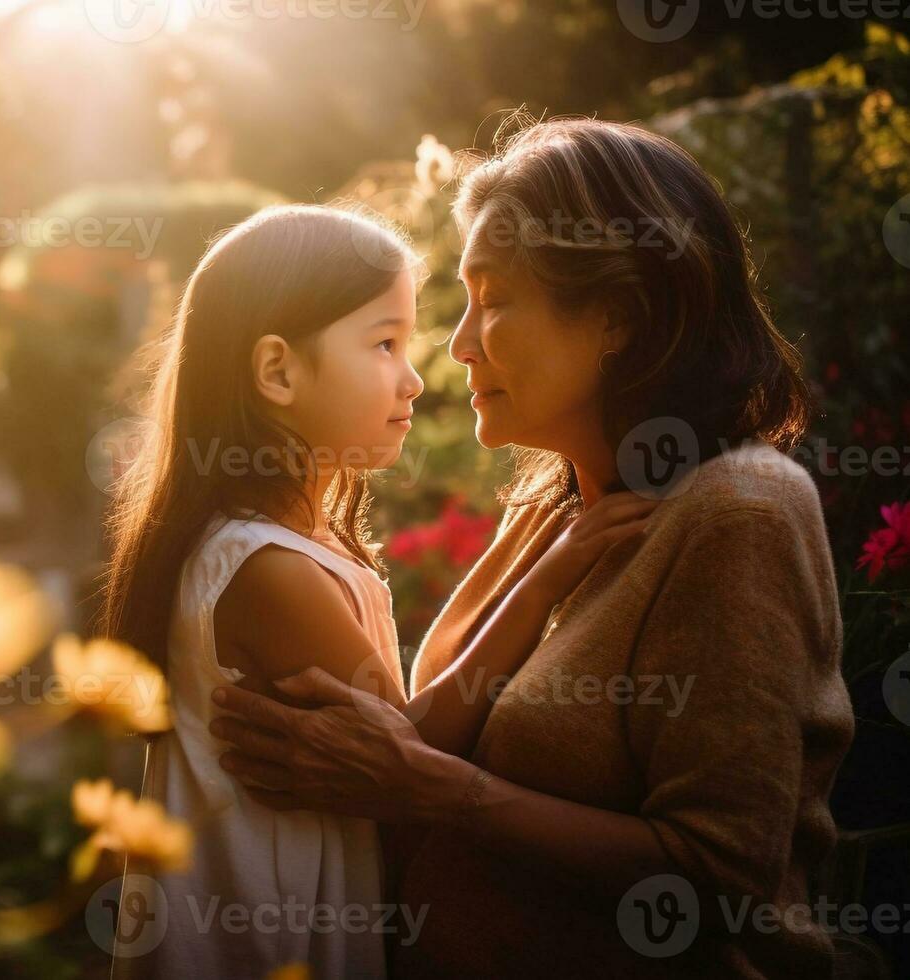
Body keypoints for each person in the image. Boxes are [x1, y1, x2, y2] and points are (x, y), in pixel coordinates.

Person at [209, 119, 854, 977]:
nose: (459, 341)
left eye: (495, 298)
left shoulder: (738, 513)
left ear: (617, 318)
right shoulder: (555, 503)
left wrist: (430, 791)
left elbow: (722, 882)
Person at [97, 203, 651, 978]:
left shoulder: (274, 546)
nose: (415, 377)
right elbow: (408, 755)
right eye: (384, 344)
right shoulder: (267, 571)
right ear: (278, 372)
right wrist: (544, 580)